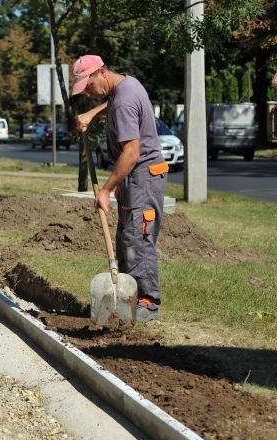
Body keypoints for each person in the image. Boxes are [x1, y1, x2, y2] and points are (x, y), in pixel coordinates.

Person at [72, 55, 168, 322]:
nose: (88, 94)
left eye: (88, 87)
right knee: (126, 238)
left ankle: (147, 304)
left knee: (138, 239)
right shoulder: (123, 86)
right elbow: (112, 103)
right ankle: (128, 299)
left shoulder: (123, 99)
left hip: (143, 175)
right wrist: (92, 114)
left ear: (101, 72)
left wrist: (105, 189)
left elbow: (132, 152)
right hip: (136, 177)